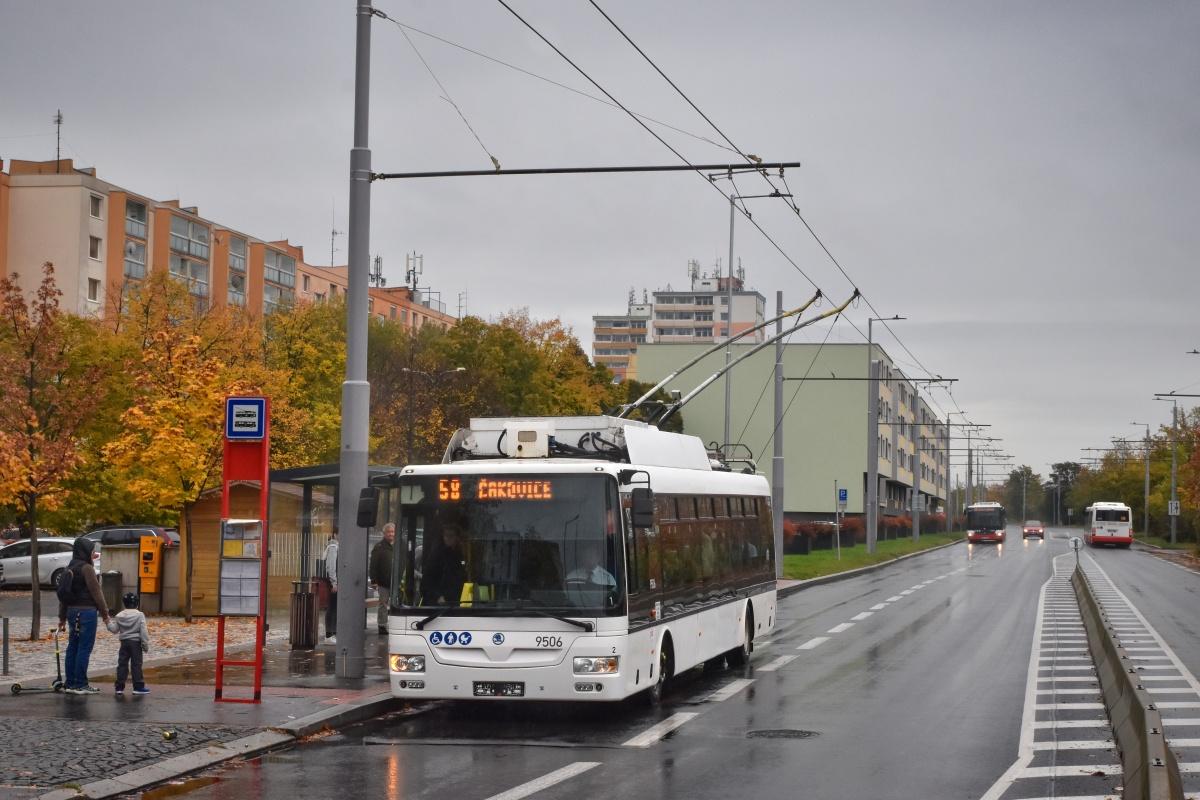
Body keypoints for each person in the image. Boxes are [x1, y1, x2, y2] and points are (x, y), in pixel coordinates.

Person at [57, 537, 110, 695]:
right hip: (87, 612)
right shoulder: (87, 568)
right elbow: (97, 592)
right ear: (85, 551)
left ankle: (70, 683)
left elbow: (64, 596)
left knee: (73, 646)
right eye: (92, 550)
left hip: (72, 612)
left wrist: (62, 618)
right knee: (84, 648)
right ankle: (81, 683)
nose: (93, 553)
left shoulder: (69, 568)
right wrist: (105, 614)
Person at [107, 592, 150, 695]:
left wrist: (107, 622)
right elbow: (143, 631)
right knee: (136, 665)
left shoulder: (119, 616)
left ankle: (119, 687)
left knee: (122, 664)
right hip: (136, 643)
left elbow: (114, 630)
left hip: (124, 643)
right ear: (137, 603)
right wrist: (145, 644)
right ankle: (138, 686)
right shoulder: (139, 615)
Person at [422, 525, 466, 605]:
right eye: (446, 535)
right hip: (439, 606)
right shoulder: (436, 555)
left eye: (451, 536)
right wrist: (437, 596)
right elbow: (426, 582)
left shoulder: (460, 554)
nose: (448, 538)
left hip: (458, 602)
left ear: (457, 537)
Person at [369, 523, 396, 634]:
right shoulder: (379, 547)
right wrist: (374, 581)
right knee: (383, 604)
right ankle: (382, 626)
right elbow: (373, 565)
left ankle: (395, 625)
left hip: (396, 583)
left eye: (393, 532)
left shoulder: (399, 545)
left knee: (396, 605)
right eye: (389, 532)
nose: (391, 534)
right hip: (383, 582)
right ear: (384, 533)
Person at [322, 527, 339, 644]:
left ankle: (332, 633)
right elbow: (331, 567)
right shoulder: (333, 547)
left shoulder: (335, 546)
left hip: (335, 582)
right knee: (332, 607)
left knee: (334, 607)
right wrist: (334, 583)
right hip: (333, 583)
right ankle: (329, 635)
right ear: (335, 534)